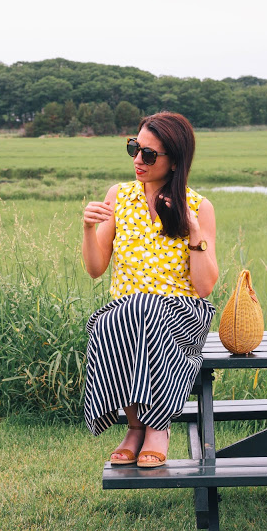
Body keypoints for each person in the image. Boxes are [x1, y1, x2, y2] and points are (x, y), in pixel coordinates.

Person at [82, 111, 218, 468]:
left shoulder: (199, 207)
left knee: (142, 311)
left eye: (150, 154)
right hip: (126, 313)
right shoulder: (119, 196)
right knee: (117, 318)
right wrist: (86, 229)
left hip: (182, 314)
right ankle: (135, 425)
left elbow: (204, 287)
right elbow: (96, 269)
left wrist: (194, 232)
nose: (138, 160)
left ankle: (157, 426)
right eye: (134, 148)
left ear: (174, 161)